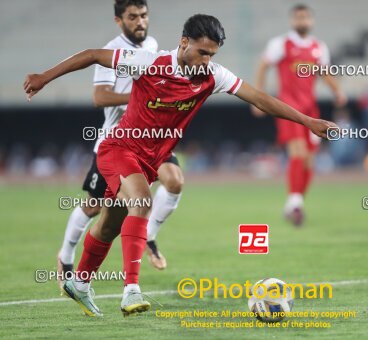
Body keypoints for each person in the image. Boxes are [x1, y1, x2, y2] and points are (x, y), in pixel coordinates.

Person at [24, 14, 336, 317]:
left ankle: (78, 283)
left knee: (109, 224)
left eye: (212, 54)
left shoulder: (214, 75)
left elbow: (259, 98)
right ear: (184, 42)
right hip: (119, 147)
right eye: (202, 51)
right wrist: (43, 77)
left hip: (151, 159)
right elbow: (92, 55)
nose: (206, 60)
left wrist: (308, 120)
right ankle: (131, 289)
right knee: (142, 201)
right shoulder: (149, 62)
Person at [57, 1, 182, 286]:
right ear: (119, 20)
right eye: (133, 17)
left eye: (144, 15)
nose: (140, 21)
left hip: (150, 139)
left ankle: (149, 235)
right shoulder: (111, 51)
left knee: (174, 181)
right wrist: (142, 100)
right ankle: (65, 255)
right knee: (94, 207)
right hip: (117, 142)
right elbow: (100, 97)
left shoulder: (152, 45)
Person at [251, 4, 347, 226]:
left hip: (311, 110)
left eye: (305, 17)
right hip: (289, 109)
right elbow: (263, 65)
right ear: (292, 21)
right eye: (298, 17)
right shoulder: (281, 44)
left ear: (311, 21)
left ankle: (295, 204)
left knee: (309, 161)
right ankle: (294, 203)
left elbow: (325, 73)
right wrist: (258, 97)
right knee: (299, 152)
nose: (302, 21)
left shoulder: (318, 47)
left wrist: (338, 91)